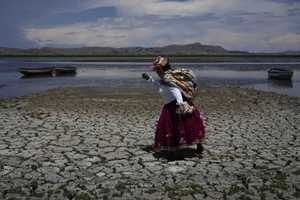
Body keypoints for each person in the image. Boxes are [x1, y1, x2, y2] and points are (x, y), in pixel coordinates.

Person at [142, 55, 205, 156]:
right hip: (170, 106)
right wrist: (150, 79)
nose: (156, 72)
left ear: (162, 69)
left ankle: (177, 150)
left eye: (157, 70)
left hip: (175, 106)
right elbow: (162, 89)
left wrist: (180, 104)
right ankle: (192, 147)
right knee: (186, 126)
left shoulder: (167, 79)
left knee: (178, 128)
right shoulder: (165, 79)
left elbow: (175, 90)